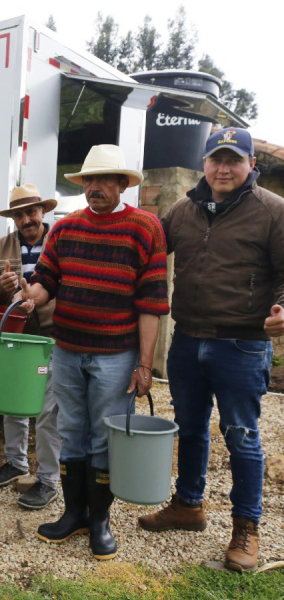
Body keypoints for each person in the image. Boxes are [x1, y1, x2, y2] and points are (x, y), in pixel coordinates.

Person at [138, 128, 284, 572]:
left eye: (233, 160)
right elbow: (146, 252)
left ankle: (246, 528)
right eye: (215, 159)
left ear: (250, 165)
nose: (223, 168)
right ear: (204, 163)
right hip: (187, 338)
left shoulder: (273, 211)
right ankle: (188, 505)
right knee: (191, 428)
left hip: (242, 343)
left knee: (241, 435)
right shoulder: (183, 210)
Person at [18, 144, 169, 560]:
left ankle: (100, 521)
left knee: (104, 440)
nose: (95, 187)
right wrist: (31, 294)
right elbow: (47, 279)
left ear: (122, 184)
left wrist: (144, 364)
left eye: (105, 179)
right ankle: (74, 514)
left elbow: (153, 302)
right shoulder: (65, 229)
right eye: (89, 180)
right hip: (66, 350)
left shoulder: (145, 228)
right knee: (71, 433)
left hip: (116, 356)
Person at [0, 184, 61, 510]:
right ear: (13, 218)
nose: (26, 219)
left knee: (47, 411)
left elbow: (68, 283)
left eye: (31, 212)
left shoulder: (60, 239)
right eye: (19, 214)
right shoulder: (2, 245)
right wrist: (2, 290)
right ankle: (16, 464)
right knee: (14, 403)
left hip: (53, 336)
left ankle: (47, 480)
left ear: (43, 212)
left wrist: (39, 299)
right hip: (16, 335)